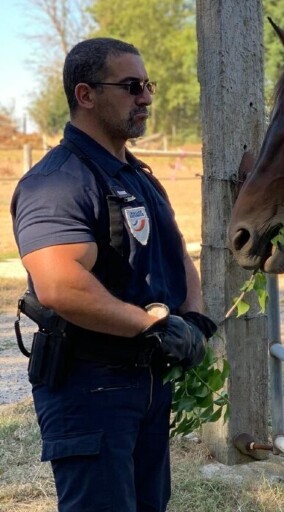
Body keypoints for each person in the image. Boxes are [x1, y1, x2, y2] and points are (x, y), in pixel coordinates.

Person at [10, 38, 216, 512]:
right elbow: (60, 284)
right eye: (130, 86)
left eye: (147, 86)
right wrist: (151, 326)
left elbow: (176, 252)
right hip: (90, 385)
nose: (145, 97)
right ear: (85, 95)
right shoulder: (57, 182)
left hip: (147, 382)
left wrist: (196, 319)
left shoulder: (137, 175)